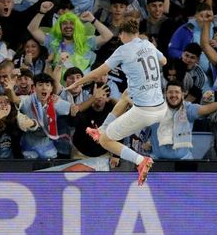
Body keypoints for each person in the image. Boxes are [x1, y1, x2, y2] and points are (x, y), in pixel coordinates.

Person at [66, 20, 167, 185]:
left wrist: (78, 82)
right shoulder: (148, 44)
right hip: (160, 107)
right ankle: (103, 128)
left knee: (105, 141)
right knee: (126, 93)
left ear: (122, 34)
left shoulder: (123, 49)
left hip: (144, 111)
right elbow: (164, 62)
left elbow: (99, 72)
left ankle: (141, 160)